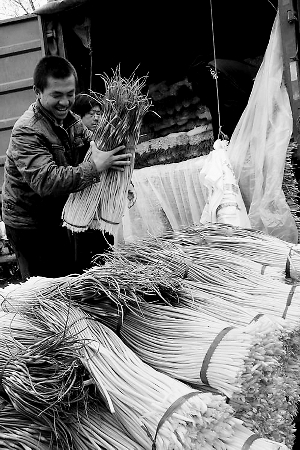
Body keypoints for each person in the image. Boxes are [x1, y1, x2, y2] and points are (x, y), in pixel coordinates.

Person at [1, 55, 132, 281]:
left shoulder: (71, 121)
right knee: (45, 291)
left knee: (71, 279)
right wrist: (95, 167)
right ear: (37, 92)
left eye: (70, 94)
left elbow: (93, 146)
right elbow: (47, 181)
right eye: (56, 95)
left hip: (60, 215)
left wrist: (117, 167)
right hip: (30, 226)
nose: (65, 102)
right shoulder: (27, 130)